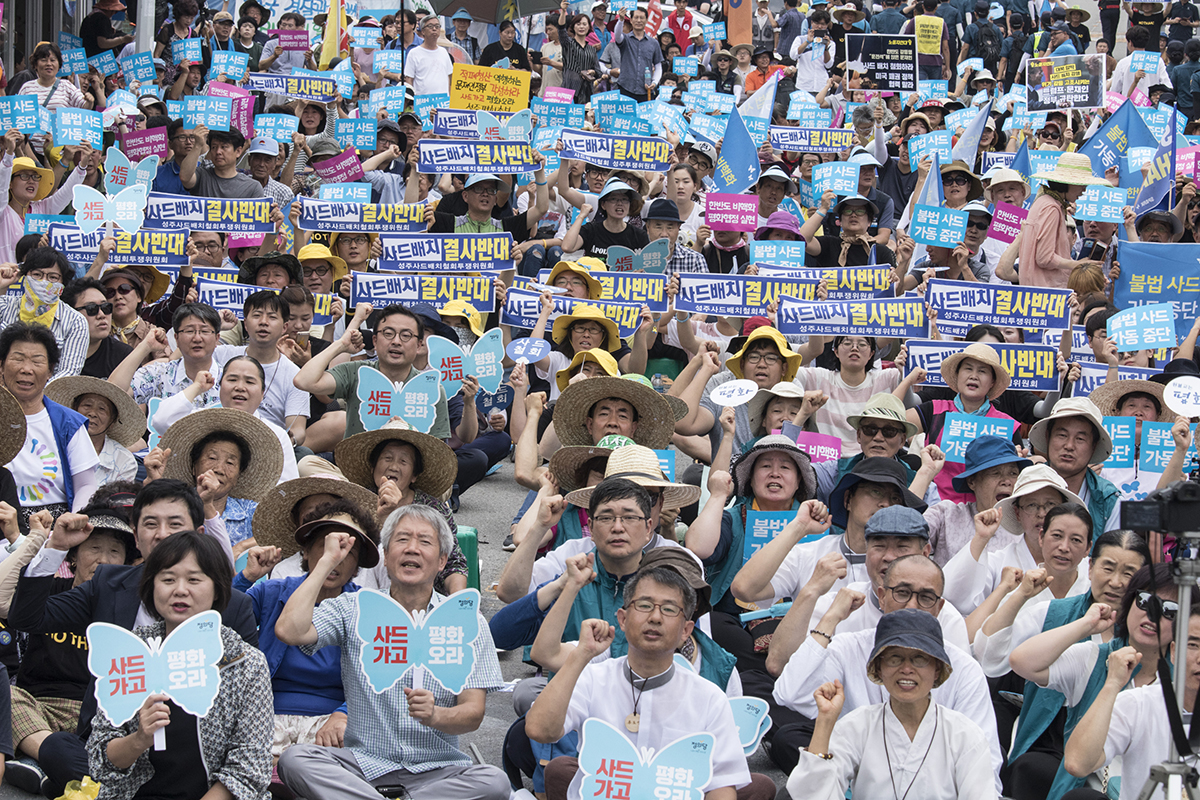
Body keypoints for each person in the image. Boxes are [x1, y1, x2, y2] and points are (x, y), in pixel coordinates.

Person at [7, 480, 259, 797]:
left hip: (197, 750)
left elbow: (245, 707)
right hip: (117, 743)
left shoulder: (233, 605)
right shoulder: (108, 584)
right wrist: (55, 548)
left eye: (175, 524)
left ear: (199, 533)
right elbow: (27, 618)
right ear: (136, 536)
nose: (162, 534)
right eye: (151, 524)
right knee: (61, 747)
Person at [274, 504, 509, 800]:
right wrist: (326, 562)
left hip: (437, 771)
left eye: (424, 542)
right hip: (361, 767)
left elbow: (473, 714)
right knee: (295, 761)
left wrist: (435, 714)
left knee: (493, 782)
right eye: (401, 540)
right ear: (385, 557)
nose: (412, 549)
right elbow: (290, 631)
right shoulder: (355, 609)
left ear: (442, 561)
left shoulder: (466, 621)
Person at [524, 563, 767, 800]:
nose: (655, 617)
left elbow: (722, 785)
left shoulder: (709, 698)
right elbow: (539, 730)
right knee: (560, 768)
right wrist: (580, 656)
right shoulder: (594, 678)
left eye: (670, 609)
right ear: (622, 619)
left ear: (686, 629)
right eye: (644, 605)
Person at [85, 531, 273, 800]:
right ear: (151, 586)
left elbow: (249, 770)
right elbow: (100, 760)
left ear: (218, 588)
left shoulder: (244, 662)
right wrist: (138, 739)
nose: (180, 590)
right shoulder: (130, 652)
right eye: (168, 579)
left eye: (194, 579)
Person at [786, 610, 999, 799]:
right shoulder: (857, 726)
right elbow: (810, 794)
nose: (906, 669)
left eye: (919, 658)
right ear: (879, 668)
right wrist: (825, 721)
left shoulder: (964, 735)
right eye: (895, 658)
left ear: (937, 669)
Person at [1009, 564, 1177, 800]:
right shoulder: (1094, 658)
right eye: (1145, 601)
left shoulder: (1184, 681)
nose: (1153, 615)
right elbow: (1021, 661)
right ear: (1129, 602)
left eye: (1169, 610)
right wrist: (1085, 625)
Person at [0, 506, 137, 795]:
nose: (103, 560)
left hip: (90, 716)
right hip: (35, 704)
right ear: (74, 555)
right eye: (94, 548)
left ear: (126, 561)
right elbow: (3, 600)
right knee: (4, 693)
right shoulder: (48, 589)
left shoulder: (129, 610)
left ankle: (42, 762)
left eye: (114, 552)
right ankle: (47, 759)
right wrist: (43, 540)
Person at [237, 500, 381, 761]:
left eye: (347, 552)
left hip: (332, 720)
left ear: (358, 564)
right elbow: (218, 622)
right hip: (265, 712)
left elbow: (379, 678)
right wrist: (246, 577)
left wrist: (344, 713)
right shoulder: (272, 592)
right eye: (326, 548)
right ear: (305, 552)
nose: (336, 559)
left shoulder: (366, 607)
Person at [334, 420, 469, 595]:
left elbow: (453, 563)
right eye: (387, 458)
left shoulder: (434, 509)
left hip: (423, 594)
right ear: (373, 467)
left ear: (414, 475)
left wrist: (457, 602)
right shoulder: (355, 504)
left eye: (403, 461)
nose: (394, 467)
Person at [293, 304, 451, 440]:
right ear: (375, 341)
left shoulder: (432, 388)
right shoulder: (356, 372)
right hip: (354, 467)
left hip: (408, 471)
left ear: (418, 345)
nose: (396, 341)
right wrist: (341, 343)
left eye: (406, 335)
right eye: (388, 334)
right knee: (308, 464)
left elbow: (438, 450)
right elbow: (304, 381)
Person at [0, 322, 98, 522]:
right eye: (18, 359)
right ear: (1, 365)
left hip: (52, 529)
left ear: (50, 370)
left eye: (37, 361)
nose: (26, 369)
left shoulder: (68, 423)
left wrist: (73, 520)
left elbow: (85, 485)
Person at [0, 251, 89, 378]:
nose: (43, 281)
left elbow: (68, 372)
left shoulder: (75, 321)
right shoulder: (5, 305)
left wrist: (34, 392)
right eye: (37, 275)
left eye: (53, 277)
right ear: (25, 276)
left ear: (63, 282)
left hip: (46, 393)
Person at [45, 376, 143, 487]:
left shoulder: (123, 460)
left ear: (112, 420)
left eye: (102, 409)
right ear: (73, 409)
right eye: (87, 405)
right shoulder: (51, 445)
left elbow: (119, 502)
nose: (92, 413)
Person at [61, 278, 134, 380]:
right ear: (70, 313)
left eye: (106, 307)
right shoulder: (54, 350)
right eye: (92, 309)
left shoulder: (123, 356)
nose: (102, 315)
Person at [180, 124, 266, 199]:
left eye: (224, 147)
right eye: (214, 147)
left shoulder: (252, 187)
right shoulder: (202, 176)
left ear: (238, 151)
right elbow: (185, 177)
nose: (218, 152)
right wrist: (198, 145)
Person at [612, 7, 663, 103]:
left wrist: (654, 82)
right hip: (625, 88)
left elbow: (658, 66)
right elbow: (617, 36)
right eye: (636, 17)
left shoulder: (653, 43)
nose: (639, 20)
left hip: (645, 90)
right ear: (631, 20)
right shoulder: (625, 39)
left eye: (641, 18)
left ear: (646, 20)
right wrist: (621, 20)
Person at [404, 16, 454, 96]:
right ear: (423, 31)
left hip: (442, 102)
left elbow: (450, 77)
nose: (434, 29)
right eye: (430, 26)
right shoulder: (414, 53)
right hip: (423, 103)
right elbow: (409, 79)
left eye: (437, 26)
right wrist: (411, 101)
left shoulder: (444, 52)